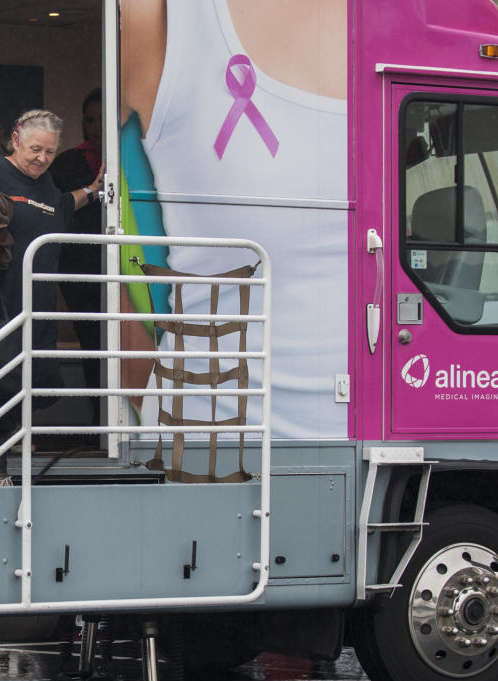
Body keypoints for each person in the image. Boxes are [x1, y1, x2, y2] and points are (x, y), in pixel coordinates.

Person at [119, 0, 349, 440]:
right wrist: (130, 356)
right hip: (205, 443)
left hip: (397, 433)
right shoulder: (163, 18)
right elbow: (117, 215)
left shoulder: (439, 25)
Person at [0, 109, 103, 484]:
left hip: (39, 303)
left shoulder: (46, 185)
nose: (42, 159)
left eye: (48, 151)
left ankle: (12, 448)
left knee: (33, 380)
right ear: (16, 140)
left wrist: (93, 190)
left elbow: (61, 207)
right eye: (35, 150)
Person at [48, 89, 105, 418]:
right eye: (89, 120)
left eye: (101, 120)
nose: (95, 127)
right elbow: (55, 210)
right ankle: (99, 420)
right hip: (79, 268)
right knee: (92, 342)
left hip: (121, 265)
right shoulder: (68, 162)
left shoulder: (128, 159)